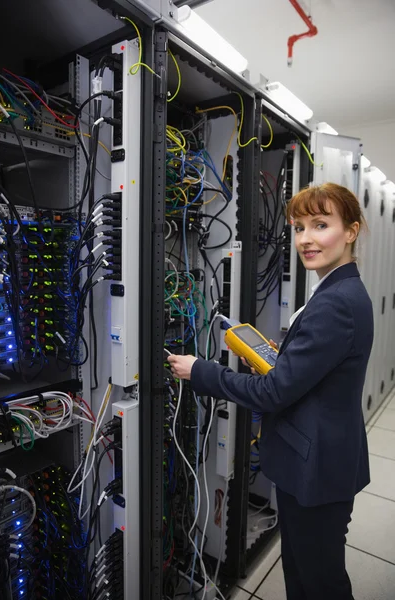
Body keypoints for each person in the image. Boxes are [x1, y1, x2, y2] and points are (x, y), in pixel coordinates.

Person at [167, 183, 374, 600]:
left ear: (351, 231)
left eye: (320, 224)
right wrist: (282, 360)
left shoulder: (337, 302)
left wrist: (201, 371)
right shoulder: (339, 289)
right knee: (304, 572)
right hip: (325, 458)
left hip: (316, 470)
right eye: (298, 228)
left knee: (320, 584)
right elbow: (313, 372)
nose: (306, 239)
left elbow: (273, 394)